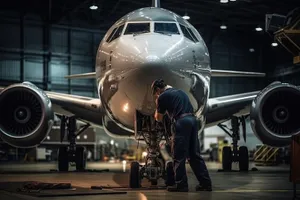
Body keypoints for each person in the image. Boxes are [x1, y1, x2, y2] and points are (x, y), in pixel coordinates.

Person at [151, 79, 212, 192]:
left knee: (178, 156)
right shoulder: (180, 92)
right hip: (193, 121)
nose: (157, 95)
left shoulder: (162, 96)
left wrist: (157, 104)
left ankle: (181, 185)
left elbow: (158, 118)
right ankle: (206, 184)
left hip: (182, 122)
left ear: (158, 90)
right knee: (194, 155)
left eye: (156, 93)